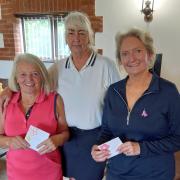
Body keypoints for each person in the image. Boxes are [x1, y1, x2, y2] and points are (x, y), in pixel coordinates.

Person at [91, 28, 180, 180]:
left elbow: (178, 138)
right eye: (124, 54)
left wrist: (141, 148)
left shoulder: (168, 91)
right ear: (120, 60)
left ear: (149, 54)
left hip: (156, 174)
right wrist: (98, 147)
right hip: (118, 173)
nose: (131, 58)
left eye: (137, 51)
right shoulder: (114, 91)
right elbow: (106, 131)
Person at [49, 11, 120, 180]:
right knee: (69, 177)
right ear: (65, 38)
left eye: (82, 33)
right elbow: (34, 87)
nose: (76, 38)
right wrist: (9, 90)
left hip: (95, 138)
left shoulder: (106, 65)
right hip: (66, 138)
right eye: (71, 33)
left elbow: (118, 104)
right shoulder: (56, 69)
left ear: (90, 37)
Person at [0, 53, 69, 180]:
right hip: (16, 173)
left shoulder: (55, 100)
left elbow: (65, 132)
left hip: (49, 173)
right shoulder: (6, 102)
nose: (29, 79)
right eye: (23, 74)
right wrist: (9, 141)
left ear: (42, 76)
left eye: (35, 74)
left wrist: (56, 140)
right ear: (16, 77)